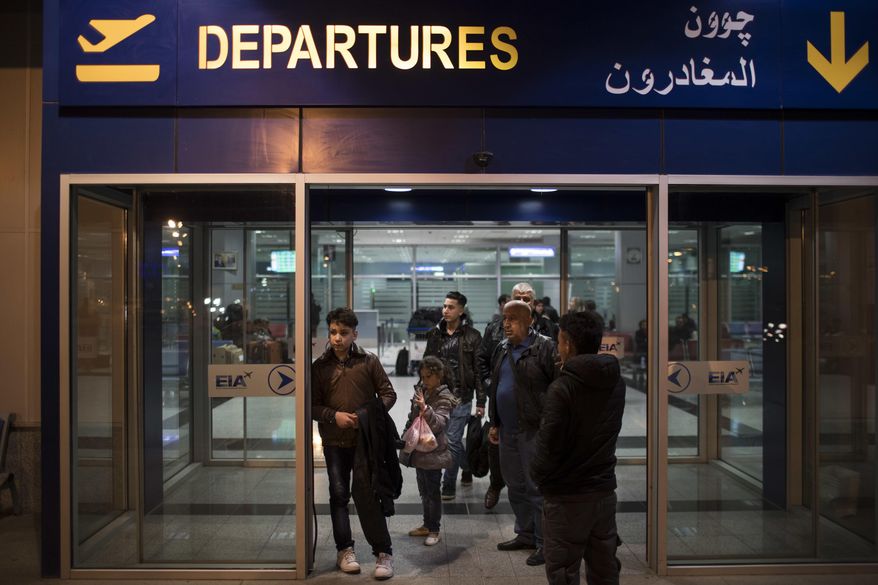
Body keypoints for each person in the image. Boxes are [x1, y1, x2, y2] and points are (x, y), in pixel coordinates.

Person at [531, 310, 626, 585]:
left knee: (563, 571)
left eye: (560, 340)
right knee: (605, 568)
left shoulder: (563, 388)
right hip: (604, 492)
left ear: (568, 343)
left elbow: (548, 446)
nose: (558, 347)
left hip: (566, 496)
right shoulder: (615, 381)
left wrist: (539, 478)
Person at [312, 308, 397, 580]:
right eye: (333, 332)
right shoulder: (319, 367)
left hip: (364, 442)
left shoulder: (368, 361)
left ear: (355, 334)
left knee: (368, 494)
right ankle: (344, 549)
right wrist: (333, 416)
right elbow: (311, 406)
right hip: (334, 441)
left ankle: (383, 552)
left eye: (344, 333)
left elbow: (388, 394)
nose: (337, 338)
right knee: (338, 494)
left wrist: (365, 417)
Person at [487, 300, 557, 566]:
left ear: (529, 321)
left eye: (513, 318)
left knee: (536, 488)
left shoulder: (545, 347)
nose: (507, 323)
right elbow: (496, 387)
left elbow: (557, 388)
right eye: (505, 318)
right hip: (507, 430)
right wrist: (494, 421)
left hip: (533, 430)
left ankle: (544, 542)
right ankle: (525, 533)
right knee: (515, 486)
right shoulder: (502, 349)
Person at [424, 291, 485, 501]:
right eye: (444, 306)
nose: (445, 310)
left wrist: (481, 401)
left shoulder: (473, 336)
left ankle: (448, 484)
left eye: (450, 307)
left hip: (461, 397)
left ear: (461, 310)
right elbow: (427, 364)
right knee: (443, 439)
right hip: (439, 396)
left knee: (451, 441)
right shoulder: (434, 334)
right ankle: (465, 465)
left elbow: (478, 370)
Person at [404, 356, 457, 547]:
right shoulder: (422, 392)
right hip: (419, 451)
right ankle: (427, 525)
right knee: (424, 490)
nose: (424, 381)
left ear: (439, 376)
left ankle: (434, 529)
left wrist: (424, 408)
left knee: (433, 491)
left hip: (434, 452)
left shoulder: (445, 397)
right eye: (422, 377)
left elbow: (439, 424)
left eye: (428, 377)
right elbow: (412, 419)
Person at [477, 294, 510, 509]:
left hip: (532, 401)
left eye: (527, 298)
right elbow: (481, 360)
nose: (521, 301)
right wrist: (491, 386)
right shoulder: (495, 328)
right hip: (499, 398)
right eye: (518, 297)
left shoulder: (545, 329)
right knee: (495, 442)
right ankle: (496, 484)